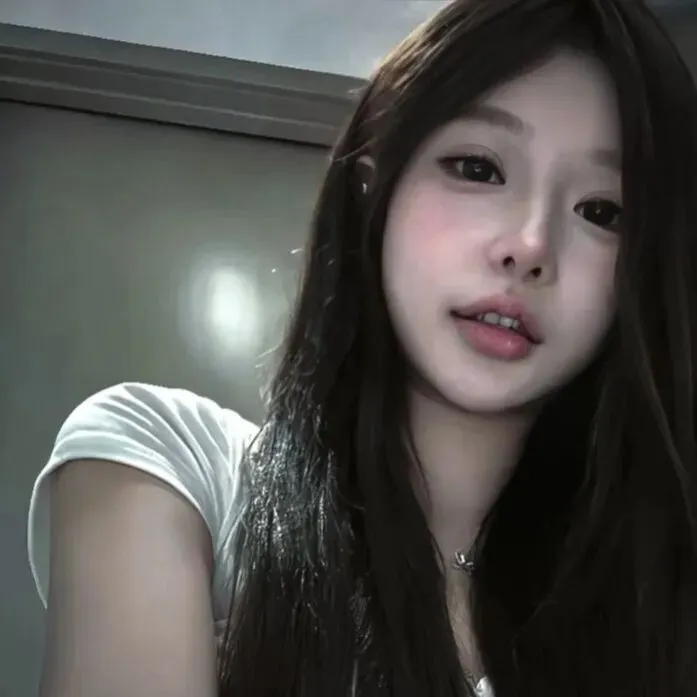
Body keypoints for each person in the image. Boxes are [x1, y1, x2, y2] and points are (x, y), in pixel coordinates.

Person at [27, 0, 697, 695]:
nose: (530, 247)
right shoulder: (170, 466)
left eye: (602, 211)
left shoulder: (655, 603)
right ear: (373, 189)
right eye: (477, 168)